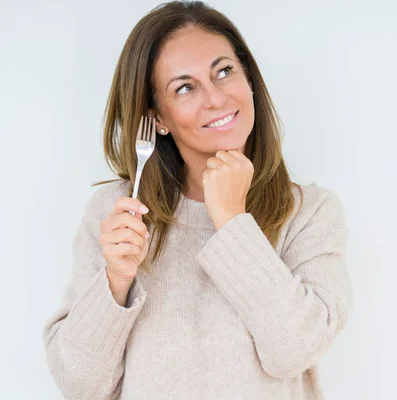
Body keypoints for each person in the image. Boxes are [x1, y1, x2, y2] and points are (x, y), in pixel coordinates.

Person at [42, 1, 353, 399]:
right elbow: (78, 383)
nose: (216, 98)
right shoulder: (118, 211)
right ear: (158, 119)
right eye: (185, 88)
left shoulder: (310, 213)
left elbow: (295, 351)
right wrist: (116, 282)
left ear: (249, 80)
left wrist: (232, 222)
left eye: (224, 71)